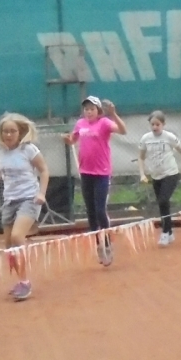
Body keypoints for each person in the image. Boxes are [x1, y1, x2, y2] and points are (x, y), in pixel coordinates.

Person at [0, 113, 49, 301]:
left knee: (17, 237)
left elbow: (44, 170)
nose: (9, 135)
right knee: (9, 246)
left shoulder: (29, 150)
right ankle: (20, 280)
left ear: (20, 132)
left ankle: (25, 282)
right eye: (5, 131)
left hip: (29, 199)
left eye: (13, 131)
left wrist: (41, 193)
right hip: (9, 201)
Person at [65, 95, 127, 266]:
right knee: (90, 211)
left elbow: (123, 131)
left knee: (100, 210)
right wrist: (68, 140)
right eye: (86, 109)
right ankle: (99, 245)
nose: (89, 112)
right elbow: (73, 139)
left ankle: (107, 243)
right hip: (86, 172)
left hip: (102, 173)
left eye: (92, 109)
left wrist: (114, 114)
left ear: (98, 110)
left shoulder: (105, 123)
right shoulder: (80, 124)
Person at [137, 110, 181, 247]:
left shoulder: (169, 137)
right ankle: (170, 232)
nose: (155, 127)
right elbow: (141, 157)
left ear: (163, 124)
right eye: (152, 124)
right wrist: (142, 174)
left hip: (171, 173)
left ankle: (165, 232)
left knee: (163, 199)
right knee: (162, 204)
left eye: (157, 124)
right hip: (156, 175)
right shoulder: (145, 139)